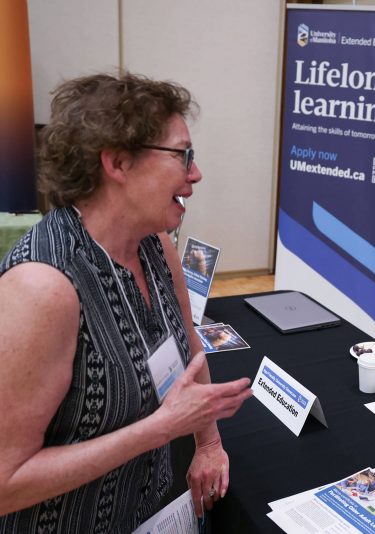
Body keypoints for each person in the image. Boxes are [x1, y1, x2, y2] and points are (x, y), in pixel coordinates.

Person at [0, 73, 253, 532]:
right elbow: (4, 482)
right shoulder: (44, 288)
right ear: (118, 163)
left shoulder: (155, 243)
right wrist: (159, 430)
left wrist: (208, 443)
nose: (195, 173)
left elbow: (189, 345)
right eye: (183, 156)